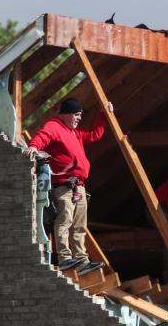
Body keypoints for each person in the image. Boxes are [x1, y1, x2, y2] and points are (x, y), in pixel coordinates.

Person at [26, 97, 109, 270]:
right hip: (63, 186)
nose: (79, 118)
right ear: (66, 114)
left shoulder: (74, 133)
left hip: (79, 186)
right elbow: (43, 136)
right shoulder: (55, 126)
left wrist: (104, 115)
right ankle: (64, 258)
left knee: (79, 224)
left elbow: (95, 134)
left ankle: (81, 260)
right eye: (77, 115)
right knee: (65, 219)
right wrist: (33, 147)